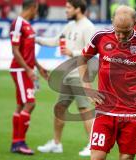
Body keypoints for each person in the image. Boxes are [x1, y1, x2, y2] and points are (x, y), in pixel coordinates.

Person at [78, 5, 136, 160]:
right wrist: (87, 88)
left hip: (132, 114)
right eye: (117, 30)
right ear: (112, 21)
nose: (120, 36)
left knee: (126, 158)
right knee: (96, 157)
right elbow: (82, 58)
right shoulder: (100, 36)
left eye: (125, 32)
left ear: (135, 24)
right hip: (104, 111)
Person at [36, 0, 95, 156]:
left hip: (80, 75)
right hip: (68, 74)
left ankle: (93, 146)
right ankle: (56, 144)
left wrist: (73, 53)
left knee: (84, 110)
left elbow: (92, 52)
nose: (66, 10)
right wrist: (35, 39)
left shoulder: (88, 26)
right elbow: (55, 40)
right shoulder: (69, 26)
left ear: (78, 9)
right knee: (60, 109)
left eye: (68, 8)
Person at [9, 0, 48, 155]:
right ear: (33, 7)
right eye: (36, 9)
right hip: (20, 70)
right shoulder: (18, 23)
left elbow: (28, 51)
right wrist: (28, 70)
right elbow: (15, 51)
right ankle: (20, 142)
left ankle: (15, 143)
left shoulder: (27, 24)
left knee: (20, 105)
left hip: (26, 69)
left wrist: (38, 67)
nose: (36, 12)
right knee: (30, 104)